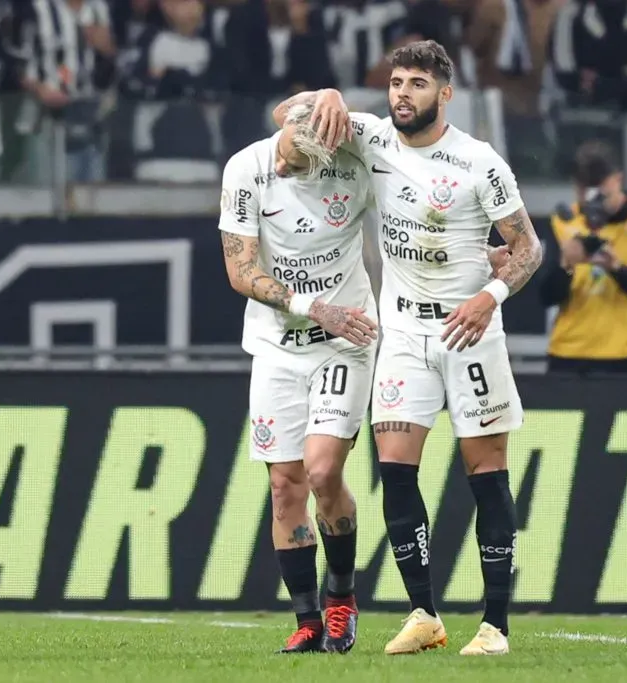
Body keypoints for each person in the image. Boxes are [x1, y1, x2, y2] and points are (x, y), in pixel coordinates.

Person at [272, 39, 544, 656]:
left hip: (469, 330)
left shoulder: (479, 163)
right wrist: (331, 97)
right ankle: (424, 612)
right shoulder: (370, 137)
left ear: (445, 94)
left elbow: (528, 247)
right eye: (397, 82)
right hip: (401, 332)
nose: (403, 94)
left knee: (486, 472)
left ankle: (495, 625)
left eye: (417, 84)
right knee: (395, 470)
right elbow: (283, 118)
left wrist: (490, 296)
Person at [218, 101, 379, 654]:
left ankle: (342, 599)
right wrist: (313, 307)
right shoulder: (248, 167)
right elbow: (240, 270)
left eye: (296, 166)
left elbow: (420, 187)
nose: (282, 169)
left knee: (321, 471)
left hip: (344, 339)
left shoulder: (359, 157)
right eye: (283, 152)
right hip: (276, 346)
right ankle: (308, 620)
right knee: (285, 485)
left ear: (328, 153)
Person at [537, 140, 627, 374]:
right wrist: (565, 266)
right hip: (570, 355)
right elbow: (546, 297)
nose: (593, 204)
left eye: (601, 194)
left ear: (618, 179)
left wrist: (618, 269)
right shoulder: (563, 220)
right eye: (584, 193)